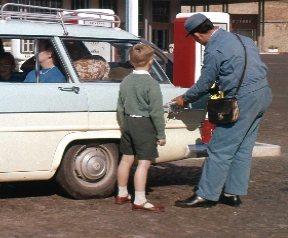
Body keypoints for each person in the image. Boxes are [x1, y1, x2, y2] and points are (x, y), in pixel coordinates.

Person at [173, 13, 271, 208]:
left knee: (220, 148)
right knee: (243, 147)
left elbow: (204, 83)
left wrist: (185, 98)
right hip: (263, 94)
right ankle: (232, 193)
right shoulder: (242, 39)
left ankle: (206, 195)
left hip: (242, 99)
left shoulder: (214, 49)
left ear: (197, 35)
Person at [115, 43, 167, 212]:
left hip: (128, 122)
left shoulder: (126, 80)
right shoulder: (152, 84)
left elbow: (120, 106)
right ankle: (140, 199)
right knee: (143, 164)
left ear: (131, 61)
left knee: (126, 160)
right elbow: (156, 112)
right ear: (151, 61)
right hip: (144, 124)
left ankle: (122, 193)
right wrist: (160, 133)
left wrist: (124, 125)